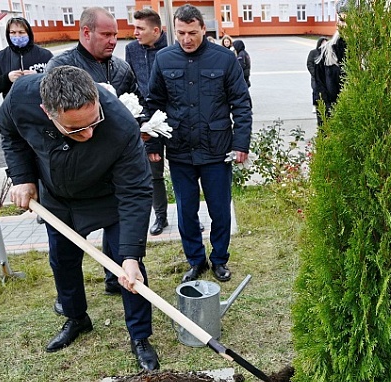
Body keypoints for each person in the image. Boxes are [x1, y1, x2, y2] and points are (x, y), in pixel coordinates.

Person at [0, 66, 158, 370]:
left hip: (107, 196)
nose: (88, 133)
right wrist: (22, 177)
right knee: (62, 261)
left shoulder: (120, 126)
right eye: (75, 129)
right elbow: (9, 132)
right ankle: (76, 318)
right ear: (47, 111)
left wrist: (132, 255)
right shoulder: (21, 99)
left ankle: (140, 336)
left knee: (128, 267)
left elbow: (135, 190)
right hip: (58, 198)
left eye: (93, 122)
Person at [146, 4, 252, 283]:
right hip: (180, 150)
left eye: (193, 32)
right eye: (181, 33)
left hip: (217, 150)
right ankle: (195, 260)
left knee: (219, 209)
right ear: (174, 31)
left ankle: (219, 259)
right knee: (185, 211)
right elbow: (154, 105)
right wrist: (154, 147)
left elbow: (241, 103)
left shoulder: (224, 59)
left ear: (204, 29)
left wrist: (241, 144)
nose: (187, 39)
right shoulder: (164, 59)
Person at [46, 7, 139, 302]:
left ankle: (117, 279)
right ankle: (73, 312)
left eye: (115, 34)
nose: (113, 40)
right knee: (65, 255)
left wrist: (140, 126)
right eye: (106, 34)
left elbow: (134, 106)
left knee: (122, 242)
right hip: (75, 173)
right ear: (86, 32)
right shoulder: (60, 68)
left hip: (113, 171)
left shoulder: (122, 69)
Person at [125, 8, 170, 237]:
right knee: (154, 172)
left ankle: (189, 216)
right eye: (135, 28)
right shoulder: (132, 50)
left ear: (156, 30)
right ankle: (160, 216)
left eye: (139, 29)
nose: (135, 33)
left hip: (173, 118)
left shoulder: (172, 47)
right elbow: (131, 84)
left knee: (186, 171)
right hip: (147, 119)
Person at [0, 17, 52, 99]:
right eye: (13, 32)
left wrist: (38, 78)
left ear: (28, 33)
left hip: (40, 106)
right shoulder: (0, 57)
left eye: (21, 32)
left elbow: (58, 82)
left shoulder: (45, 55)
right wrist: (6, 79)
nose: (17, 36)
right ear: (8, 34)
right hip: (13, 108)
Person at [313, 0, 348, 124]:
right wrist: (326, 129)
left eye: (351, 21)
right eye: (342, 20)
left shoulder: (373, 54)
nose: (344, 26)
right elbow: (320, 95)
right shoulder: (326, 54)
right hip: (336, 124)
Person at [306, 37, 328, 113]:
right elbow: (309, 64)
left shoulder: (328, 53)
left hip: (325, 77)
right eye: (323, 42)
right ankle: (315, 105)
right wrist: (315, 73)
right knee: (316, 91)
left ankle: (325, 105)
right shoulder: (313, 52)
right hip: (316, 77)